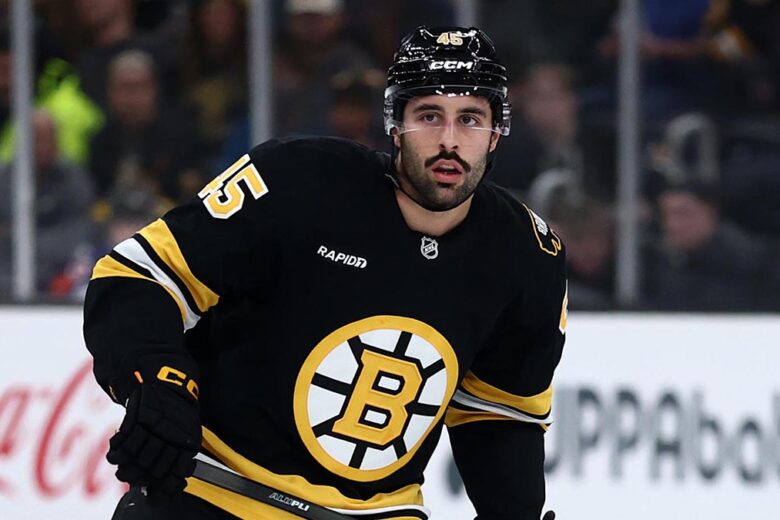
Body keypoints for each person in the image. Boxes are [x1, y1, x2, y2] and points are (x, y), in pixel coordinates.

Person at [84, 26, 566, 520]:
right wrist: (158, 380)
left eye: (470, 119)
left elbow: (500, 413)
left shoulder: (527, 254)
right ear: (395, 125)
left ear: (496, 132)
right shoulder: (297, 180)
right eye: (428, 115)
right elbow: (136, 278)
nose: (449, 140)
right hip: (212, 493)